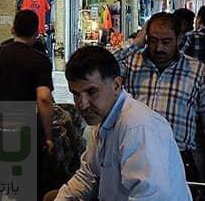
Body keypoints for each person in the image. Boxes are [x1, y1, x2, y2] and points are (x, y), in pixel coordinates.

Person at [46, 46, 191, 201]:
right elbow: (87, 175)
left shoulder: (137, 127)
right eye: (76, 94)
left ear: (116, 85)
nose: (82, 104)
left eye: (92, 92)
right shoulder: (103, 122)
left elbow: (148, 197)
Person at [115, 12, 205, 184]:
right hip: (133, 158)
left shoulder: (196, 71)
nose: (159, 48)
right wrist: (134, 44)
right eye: (153, 40)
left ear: (179, 39)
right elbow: (97, 68)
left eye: (166, 42)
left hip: (178, 160)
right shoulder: (131, 64)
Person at [0, 10, 54, 201]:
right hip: (25, 135)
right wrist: (48, 136)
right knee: (26, 190)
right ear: (36, 33)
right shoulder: (40, 61)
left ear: (12, 29)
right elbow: (44, 99)